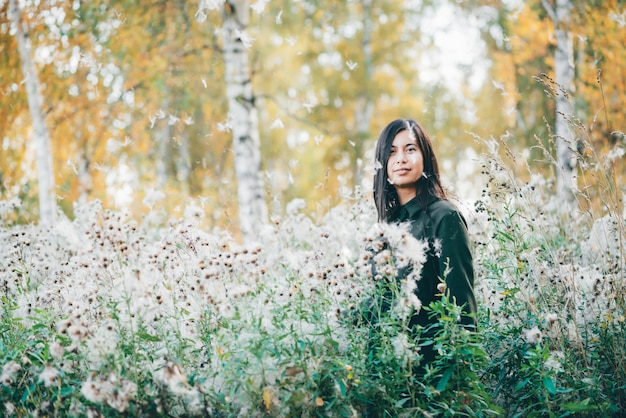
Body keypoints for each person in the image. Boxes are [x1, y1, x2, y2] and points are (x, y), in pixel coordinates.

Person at [371, 118, 477, 365]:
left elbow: (461, 304)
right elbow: (377, 304)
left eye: (410, 149)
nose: (401, 159)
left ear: (425, 157)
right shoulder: (383, 231)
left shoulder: (445, 217)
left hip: (433, 376)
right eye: (391, 152)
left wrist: (461, 381)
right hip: (388, 373)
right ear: (383, 163)